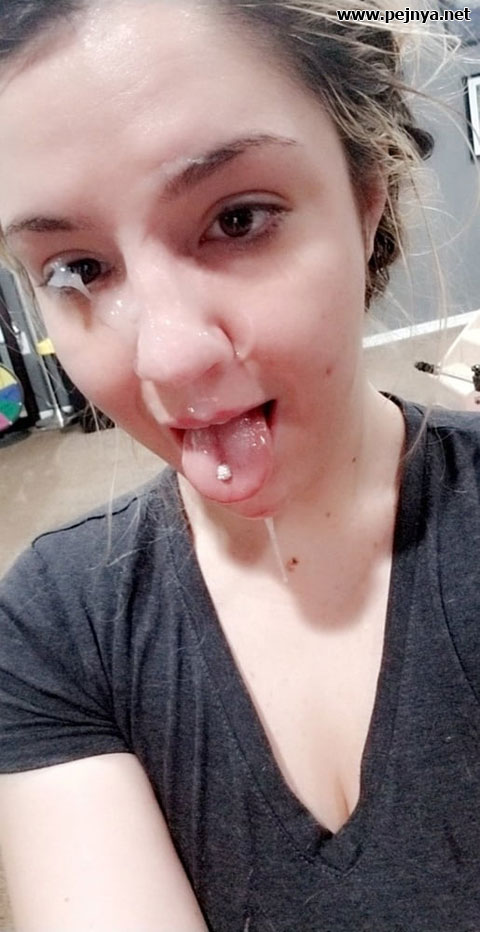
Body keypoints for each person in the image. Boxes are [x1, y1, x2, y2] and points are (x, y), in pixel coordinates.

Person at [0, 1, 479, 930]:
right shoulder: (54, 630)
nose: (168, 357)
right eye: (78, 270)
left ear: (368, 192)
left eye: (238, 218)